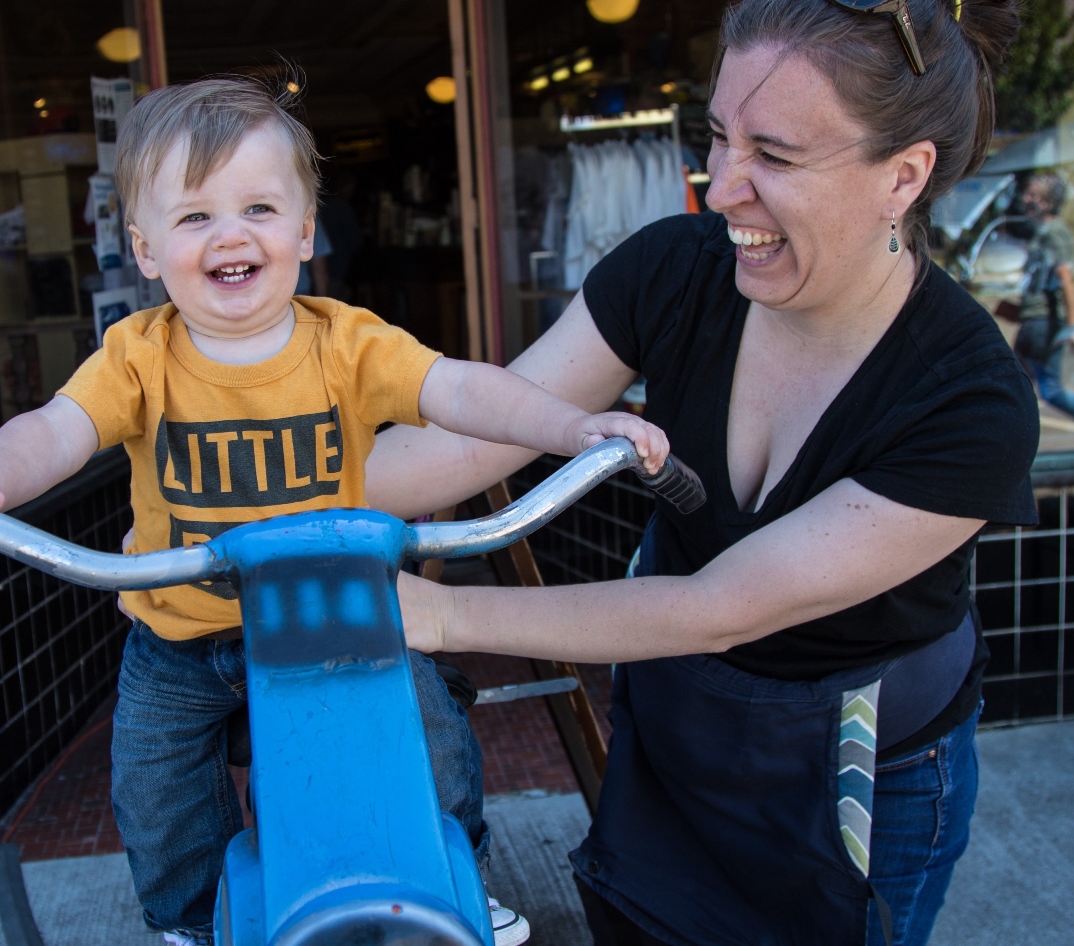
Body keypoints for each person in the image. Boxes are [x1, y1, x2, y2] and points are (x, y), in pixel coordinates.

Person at [0, 78, 668, 946]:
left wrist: (569, 426)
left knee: (426, 732)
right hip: (182, 633)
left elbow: (459, 388)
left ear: (304, 231)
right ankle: (189, 921)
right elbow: (56, 430)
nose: (231, 235)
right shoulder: (136, 357)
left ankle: (447, 869)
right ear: (144, 249)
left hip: (333, 615)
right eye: (194, 218)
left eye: (259, 207)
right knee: (153, 785)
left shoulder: (347, 342)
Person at [378, 2, 1037, 945]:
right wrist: (221, 502)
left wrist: (440, 614)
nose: (722, 188)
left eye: (773, 156)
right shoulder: (672, 271)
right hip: (683, 736)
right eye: (717, 137)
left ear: (902, 176)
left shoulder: (968, 402)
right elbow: (470, 447)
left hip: (862, 776)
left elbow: (721, 603)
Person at [1012, 173, 1074, 415]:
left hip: (1043, 323)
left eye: (1033, 196)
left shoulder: (1054, 233)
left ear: (1048, 203)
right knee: (1048, 389)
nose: (1026, 199)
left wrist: (1071, 327)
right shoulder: (1043, 233)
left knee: (1019, 382)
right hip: (1037, 320)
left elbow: (1065, 280)